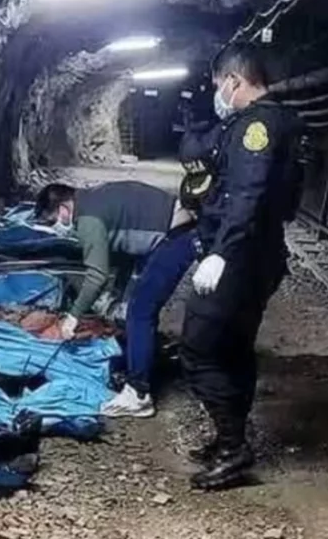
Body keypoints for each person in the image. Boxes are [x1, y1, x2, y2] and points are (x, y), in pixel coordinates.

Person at [180, 43, 304, 490]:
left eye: (218, 84)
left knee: (197, 348)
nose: (217, 93)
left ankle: (234, 448)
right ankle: (228, 438)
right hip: (259, 254)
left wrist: (221, 252)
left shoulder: (257, 127)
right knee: (234, 347)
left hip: (241, 257)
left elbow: (246, 194)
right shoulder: (273, 120)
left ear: (233, 81)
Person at [33, 178, 211, 418]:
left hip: (178, 235)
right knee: (133, 305)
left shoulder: (87, 219)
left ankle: (139, 394)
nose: (56, 227)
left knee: (140, 311)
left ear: (64, 208)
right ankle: (139, 361)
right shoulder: (92, 199)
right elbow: (125, 249)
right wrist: (118, 292)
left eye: (53, 220)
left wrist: (73, 316)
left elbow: (96, 275)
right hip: (172, 229)